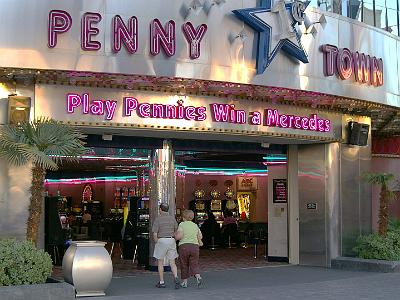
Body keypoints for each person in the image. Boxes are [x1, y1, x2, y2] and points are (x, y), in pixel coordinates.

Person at [152, 203, 180, 289]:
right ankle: (176, 277)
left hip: (162, 240)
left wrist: (157, 241)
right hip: (171, 240)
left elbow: (155, 233)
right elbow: (177, 230)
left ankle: (162, 282)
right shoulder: (172, 219)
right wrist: (173, 239)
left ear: (160, 209)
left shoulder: (158, 219)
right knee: (172, 262)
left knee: (160, 262)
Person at [175, 209, 203, 288]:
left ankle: (184, 282)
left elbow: (179, 236)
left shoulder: (182, 225)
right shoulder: (195, 225)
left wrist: (175, 236)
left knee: (184, 264)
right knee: (194, 264)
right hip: (195, 247)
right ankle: (198, 276)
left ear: (183, 217)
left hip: (184, 247)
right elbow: (200, 236)